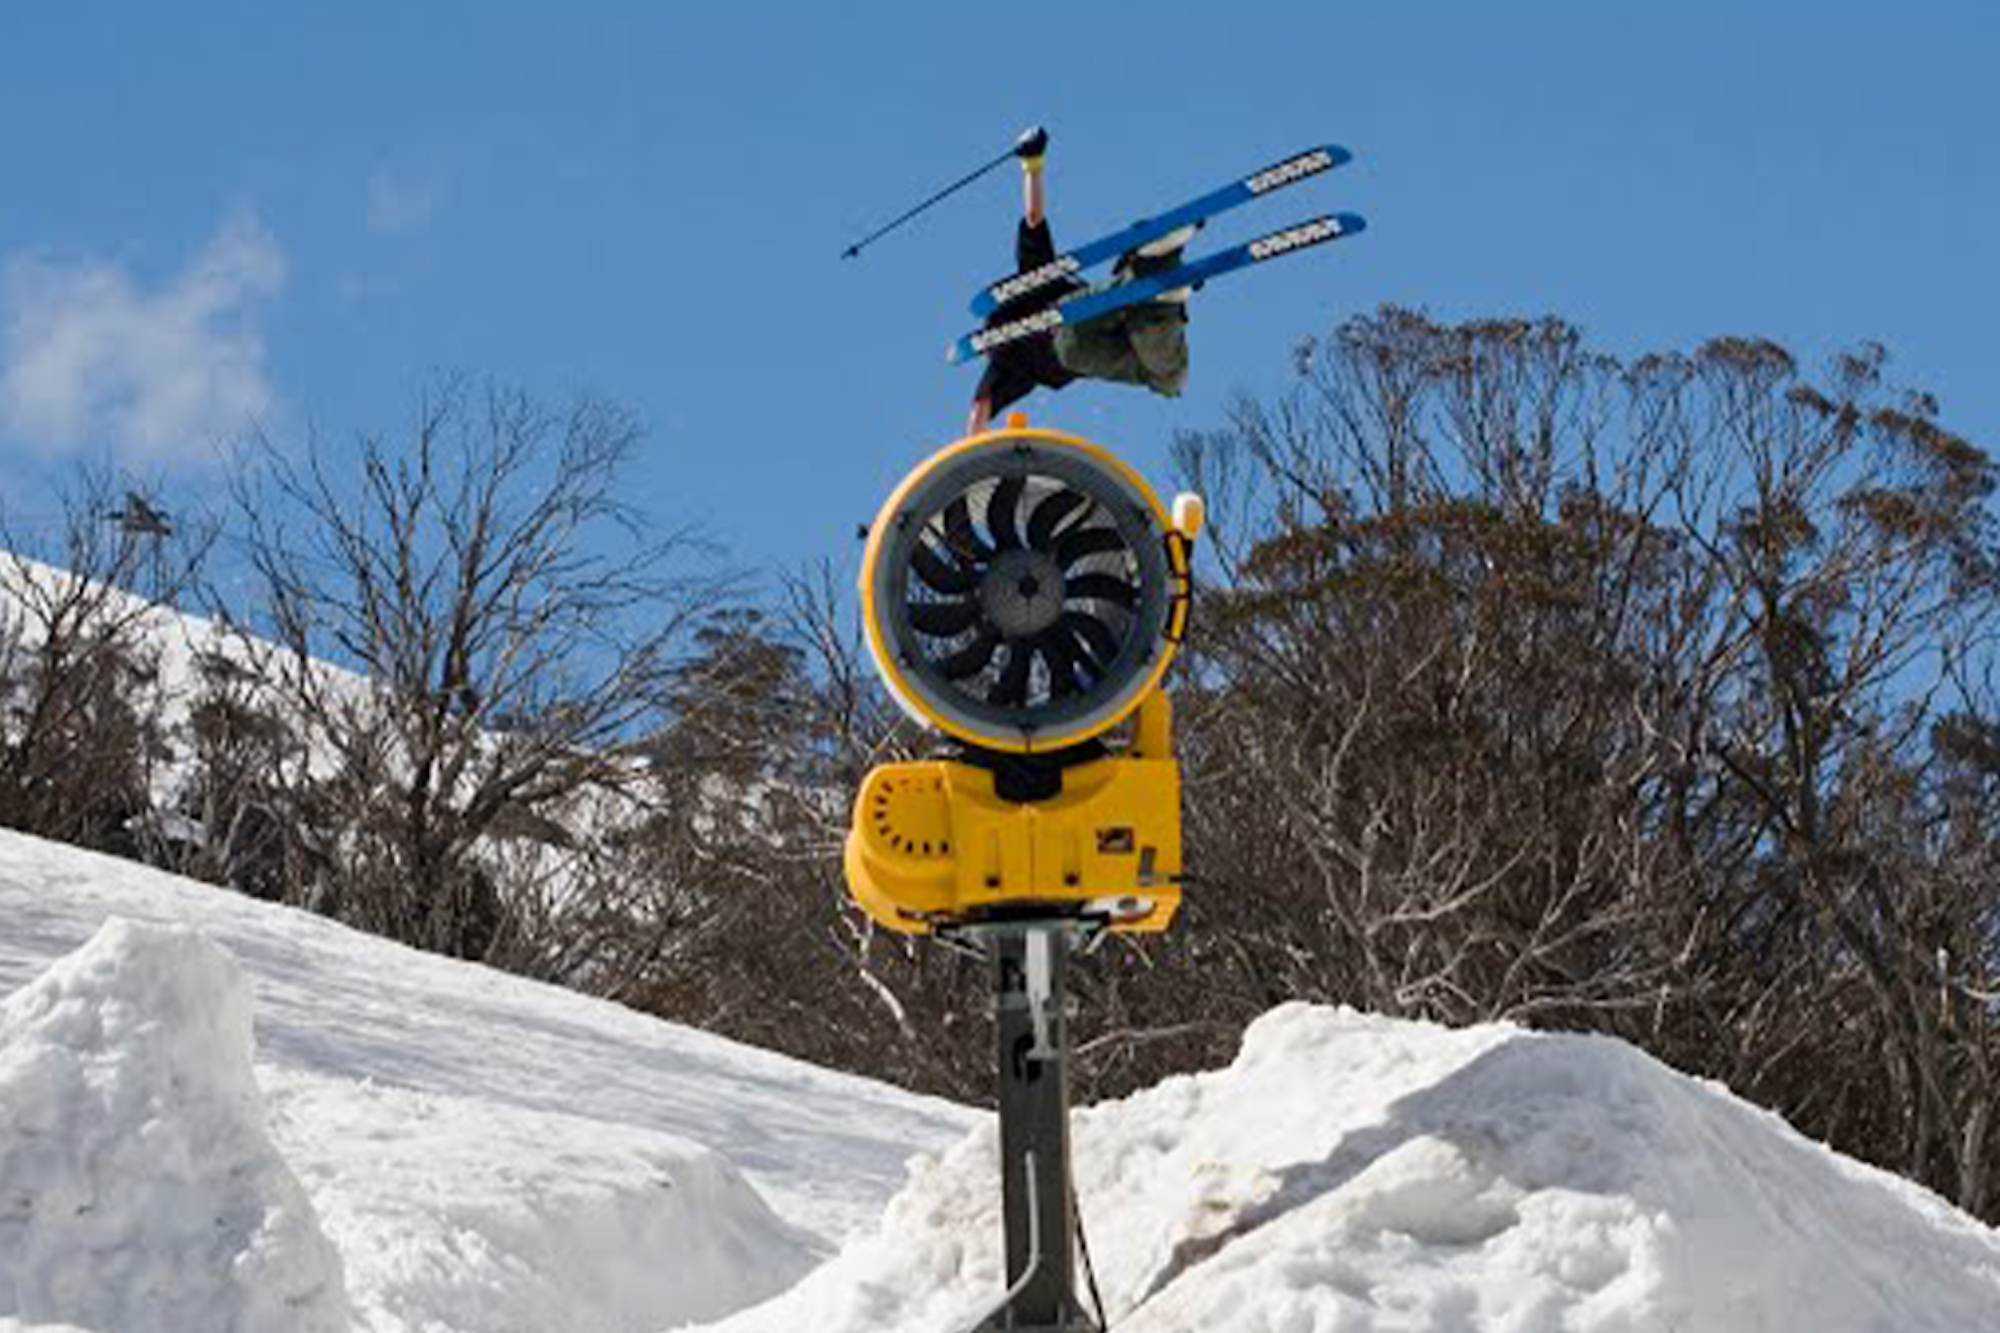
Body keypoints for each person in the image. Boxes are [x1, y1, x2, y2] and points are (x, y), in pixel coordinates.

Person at [967, 127, 1195, 435]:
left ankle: (1163, 295)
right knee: (1127, 297)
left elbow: (977, 416)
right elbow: (1033, 217)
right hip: (1077, 316)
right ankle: (1153, 265)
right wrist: (1033, 165)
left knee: (1166, 378)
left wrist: (972, 468)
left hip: (1080, 356)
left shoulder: (1002, 366)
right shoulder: (1031, 283)